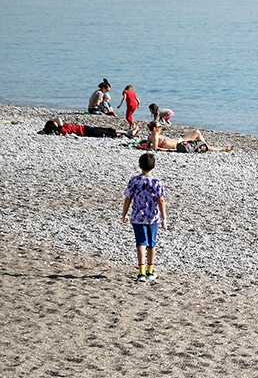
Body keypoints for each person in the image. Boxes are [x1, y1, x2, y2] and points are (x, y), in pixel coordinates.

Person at [121, 152, 167, 282]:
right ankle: (150, 270)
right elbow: (161, 201)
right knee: (152, 243)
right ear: (154, 166)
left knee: (141, 243)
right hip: (153, 217)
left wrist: (125, 214)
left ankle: (141, 272)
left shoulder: (134, 181)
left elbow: (128, 199)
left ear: (140, 165)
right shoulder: (156, 182)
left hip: (137, 217)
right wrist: (164, 219)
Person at [144, 121, 234, 153]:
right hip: (180, 144)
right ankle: (221, 149)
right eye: (159, 126)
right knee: (197, 132)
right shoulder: (155, 135)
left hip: (178, 142)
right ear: (155, 128)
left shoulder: (150, 136)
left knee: (197, 134)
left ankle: (210, 147)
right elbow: (155, 148)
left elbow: (147, 146)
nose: (161, 128)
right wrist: (167, 149)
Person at [44, 118, 136, 139]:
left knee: (107, 129)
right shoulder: (62, 130)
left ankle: (126, 131)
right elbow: (59, 119)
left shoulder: (62, 127)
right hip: (85, 132)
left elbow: (58, 120)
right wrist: (55, 123)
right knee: (106, 133)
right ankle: (129, 134)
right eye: (54, 123)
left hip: (85, 128)